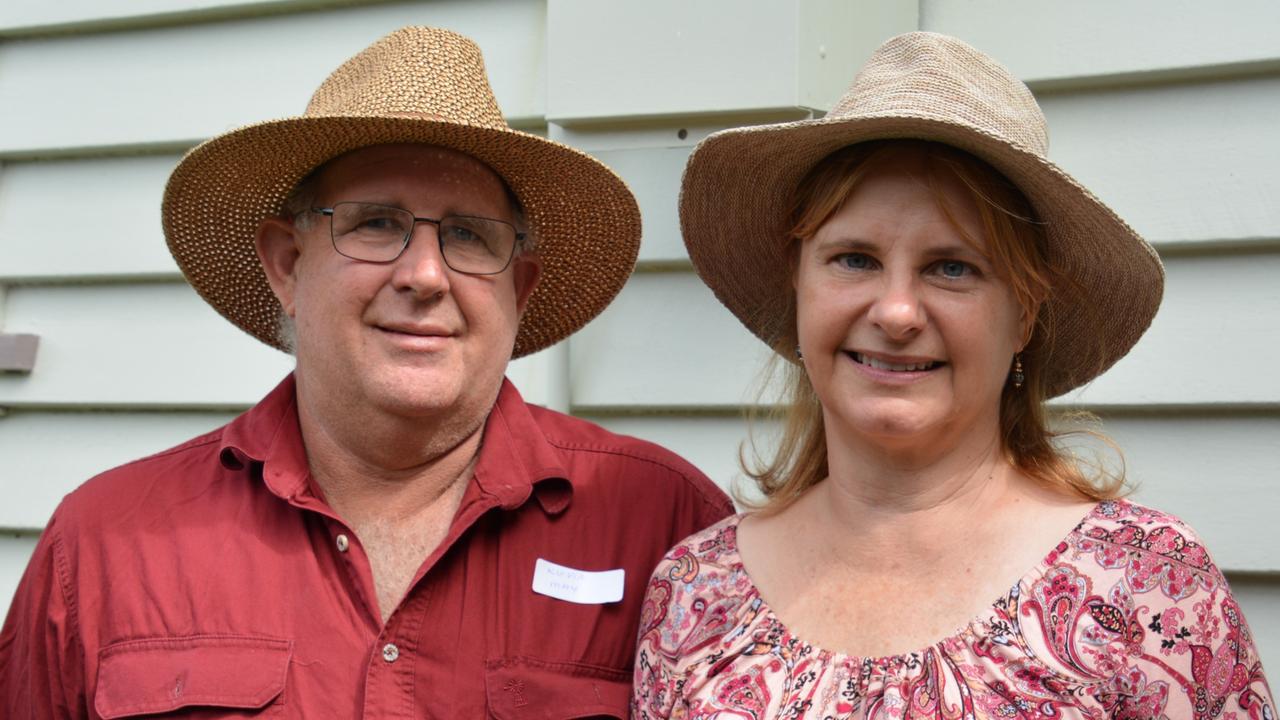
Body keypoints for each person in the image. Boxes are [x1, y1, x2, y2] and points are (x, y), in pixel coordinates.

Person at [0, 27, 733, 717]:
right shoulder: (103, 545)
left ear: (521, 288)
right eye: (375, 223)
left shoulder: (663, 528)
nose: (423, 275)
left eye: (469, 236)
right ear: (287, 265)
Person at [633, 32, 1273, 719]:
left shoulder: (1146, 584)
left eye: (953, 267)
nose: (897, 311)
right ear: (798, 285)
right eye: (854, 258)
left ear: (1024, 313)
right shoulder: (697, 594)